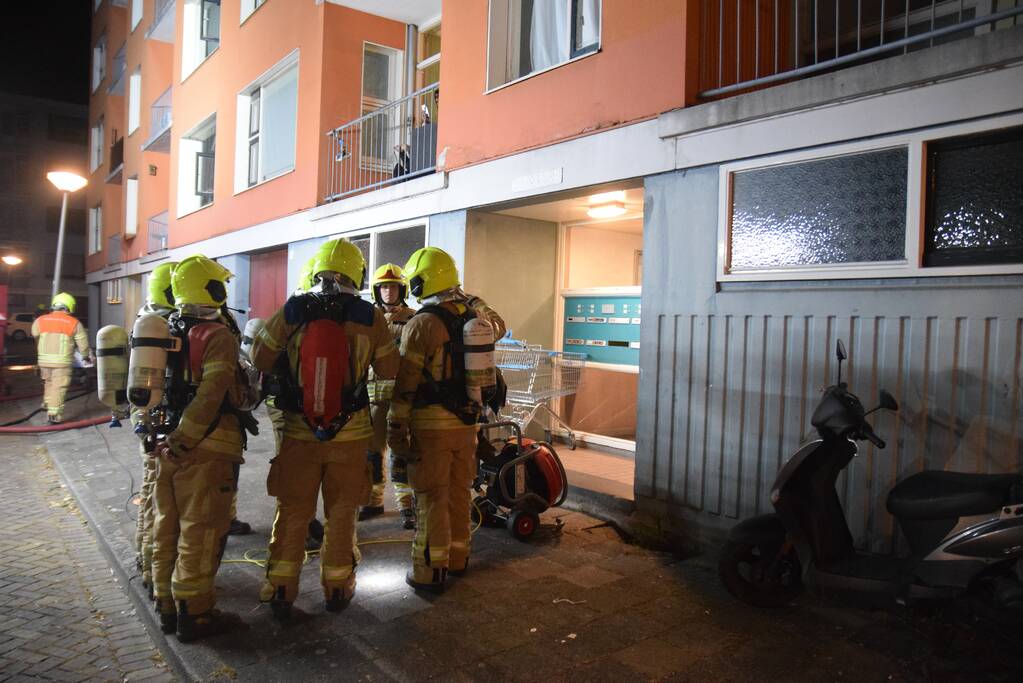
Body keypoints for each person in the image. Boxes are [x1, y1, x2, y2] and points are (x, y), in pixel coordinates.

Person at [251, 238, 399, 619]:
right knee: (342, 513)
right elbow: (388, 370)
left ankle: (280, 587)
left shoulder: (294, 310)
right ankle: (337, 586)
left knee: (293, 511)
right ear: (358, 274)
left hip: (299, 433)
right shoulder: (370, 316)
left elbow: (260, 357)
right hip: (351, 436)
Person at [387, 247, 506, 593]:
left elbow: (406, 386)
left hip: (431, 429)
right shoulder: (476, 321)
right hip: (466, 426)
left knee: (430, 498)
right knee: (458, 494)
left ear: (426, 280)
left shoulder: (421, 324)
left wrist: (396, 433)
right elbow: (499, 323)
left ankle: (429, 570)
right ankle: (458, 559)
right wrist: (473, 299)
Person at [149, 255, 251, 642]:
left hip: (166, 446)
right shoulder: (217, 336)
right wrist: (185, 440)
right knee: (201, 529)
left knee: (167, 526)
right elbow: (213, 393)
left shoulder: (168, 327)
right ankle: (197, 614)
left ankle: (167, 605)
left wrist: (170, 441)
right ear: (212, 288)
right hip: (203, 448)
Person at [130, 261, 177, 599]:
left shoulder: (146, 322)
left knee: (152, 498)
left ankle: (147, 564)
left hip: (148, 423)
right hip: (162, 425)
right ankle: (152, 572)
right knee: (158, 503)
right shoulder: (164, 327)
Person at [363, 263, 417, 527]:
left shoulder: (413, 318)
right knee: (371, 453)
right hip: (372, 399)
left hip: (400, 399)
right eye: (383, 286)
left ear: (401, 289)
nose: (388, 292)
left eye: (393, 286)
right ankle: (373, 502)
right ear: (376, 290)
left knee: (400, 453)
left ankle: (407, 507)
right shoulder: (368, 319)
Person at [31, 292, 92, 424]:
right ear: (70, 306)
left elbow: (35, 335)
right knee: (59, 386)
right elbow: (83, 343)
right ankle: (54, 413)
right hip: (62, 361)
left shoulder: (40, 320)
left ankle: (47, 403)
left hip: (43, 360)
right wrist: (86, 356)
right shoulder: (74, 323)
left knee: (48, 382)